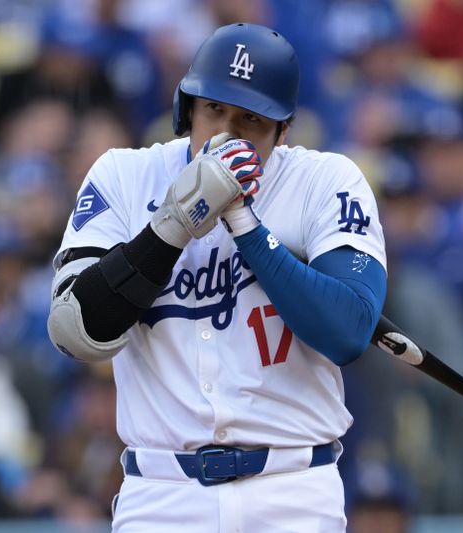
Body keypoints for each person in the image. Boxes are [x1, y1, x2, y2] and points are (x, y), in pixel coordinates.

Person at [47, 23, 387, 532]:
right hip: (162, 493)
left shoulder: (325, 181)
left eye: (250, 118)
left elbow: (348, 331)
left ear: (282, 130)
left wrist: (245, 224)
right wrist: (175, 223)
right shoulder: (122, 175)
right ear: (188, 109)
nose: (228, 132)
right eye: (215, 109)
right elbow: (76, 333)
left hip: (292, 488)